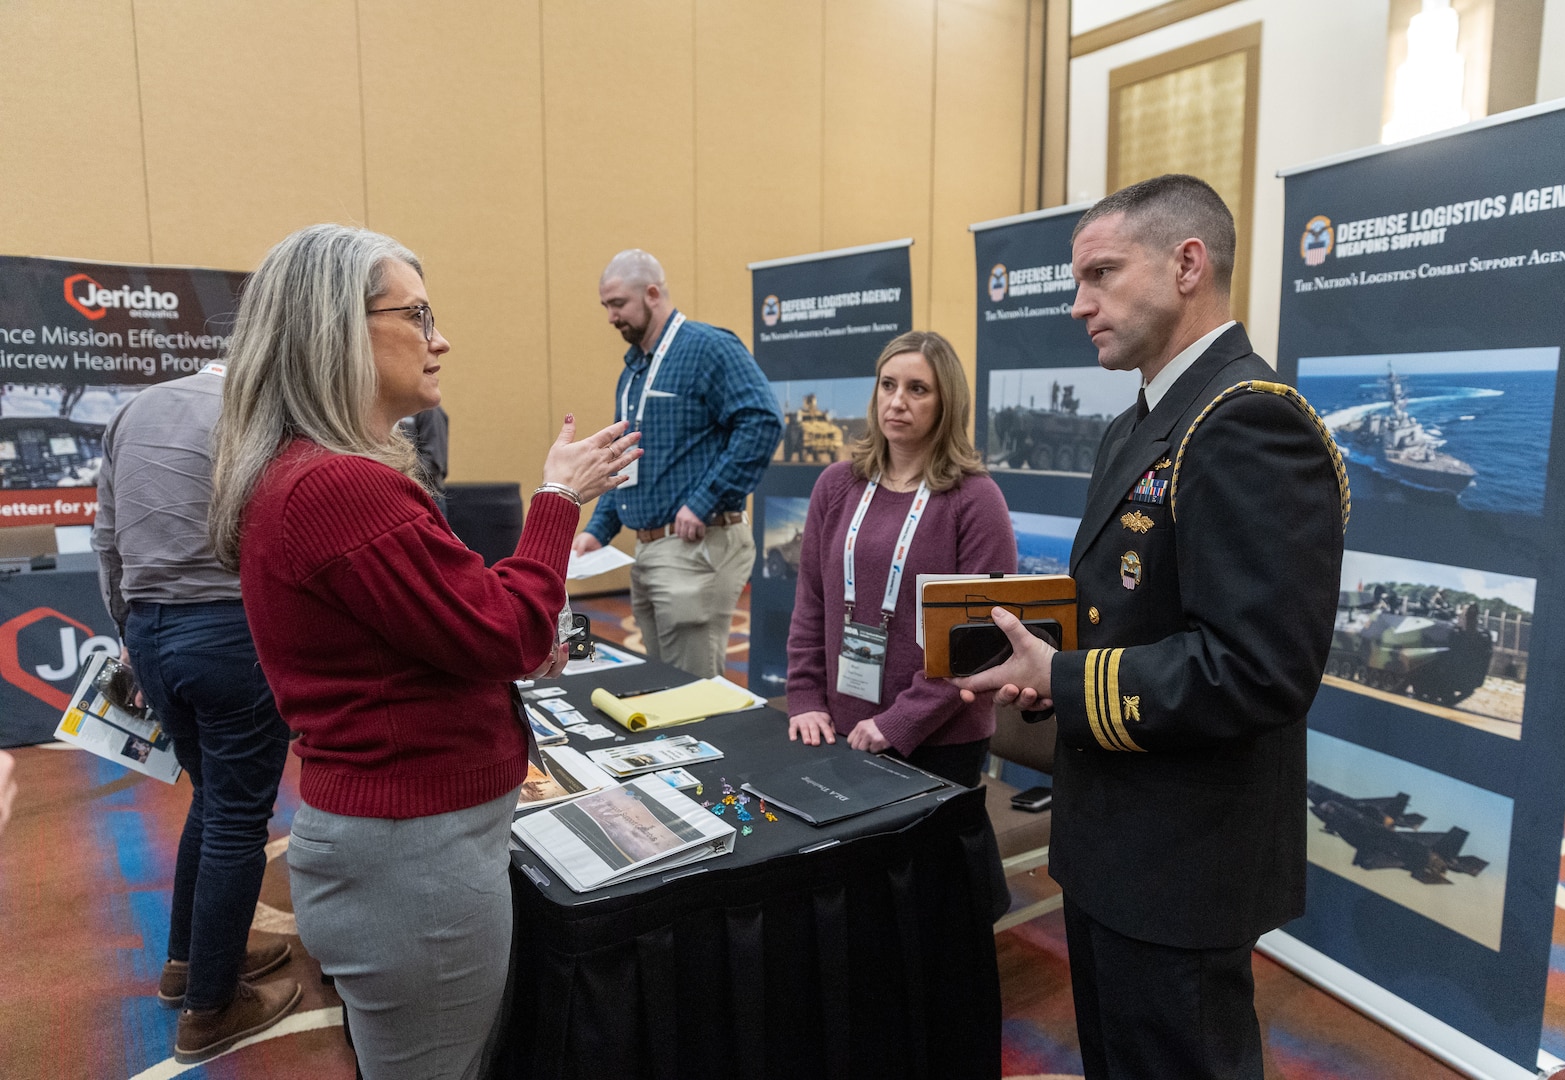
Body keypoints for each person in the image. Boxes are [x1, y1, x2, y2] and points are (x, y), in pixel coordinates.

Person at [208, 223, 640, 1080]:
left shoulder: (310, 475)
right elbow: (505, 629)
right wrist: (558, 498)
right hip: (413, 864)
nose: (440, 337)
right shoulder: (339, 486)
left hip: (397, 846)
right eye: (416, 313)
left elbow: (439, 635)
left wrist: (502, 643)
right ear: (336, 329)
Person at [953, 174, 1348, 1080]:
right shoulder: (1144, 421)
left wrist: (1063, 678)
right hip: (1115, 840)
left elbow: (1256, 669)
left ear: (1187, 265)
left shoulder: (1246, 422)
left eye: (1100, 273)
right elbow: (1127, 611)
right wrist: (1044, 663)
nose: (1077, 301)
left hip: (1183, 859)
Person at [91, 363, 299, 1064]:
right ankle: (211, 1007)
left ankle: (189, 963)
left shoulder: (134, 409)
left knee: (211, 803)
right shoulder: (267, 408)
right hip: (229, 632)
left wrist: (130, 633)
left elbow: (106, 539)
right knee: (239, 817)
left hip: (150, 631)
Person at [785, 331, 1016, 788]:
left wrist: (900, 721)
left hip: (940, 739)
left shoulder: (974, 499)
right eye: (887, 385)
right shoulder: (836, 485)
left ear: (945, 402)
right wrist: (806, 695)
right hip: (839, 723)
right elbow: (812, 601)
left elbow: (978, 636)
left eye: (917, 389)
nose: (897, 402)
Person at [572, 250, 781, 678]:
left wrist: (702, 501)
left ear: (652, 294)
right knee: (662, 681)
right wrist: (598, 530)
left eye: (618, 304)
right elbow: (626, 460)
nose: (611, 317)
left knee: (690, 692)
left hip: (697, 546)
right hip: (648, 550)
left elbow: (762, 422)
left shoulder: (709, 347)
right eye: (606, 306)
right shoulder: (634, 371)